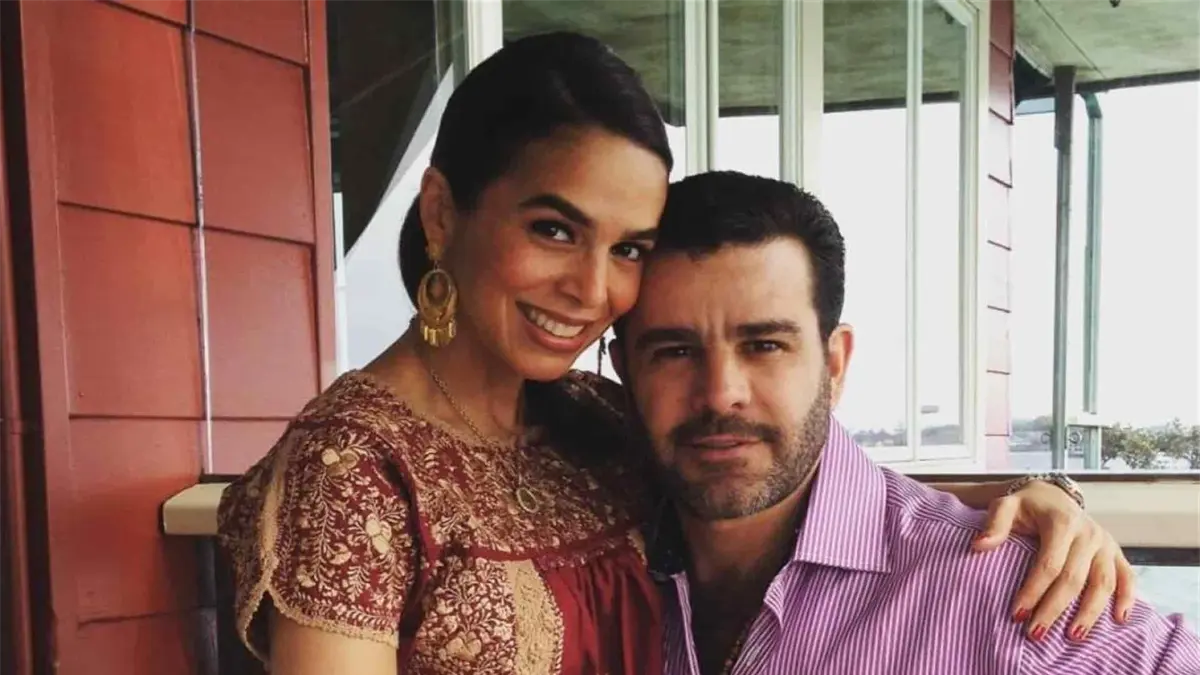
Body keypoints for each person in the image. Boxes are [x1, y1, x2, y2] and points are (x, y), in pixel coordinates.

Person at [218, 32, 1137, 675]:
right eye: (553, 229)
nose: (591, 288)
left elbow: (777, 465)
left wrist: (1033, 497)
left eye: (626, 248)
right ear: (441, 212)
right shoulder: (354, 469)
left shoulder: (590, 419)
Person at [610, 170, 1200, 675]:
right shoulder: (597, 553)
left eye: (764, 345)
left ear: (835, 364)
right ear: (624, 371)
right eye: (674, 352)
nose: (721, 394)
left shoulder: (1012, 595)